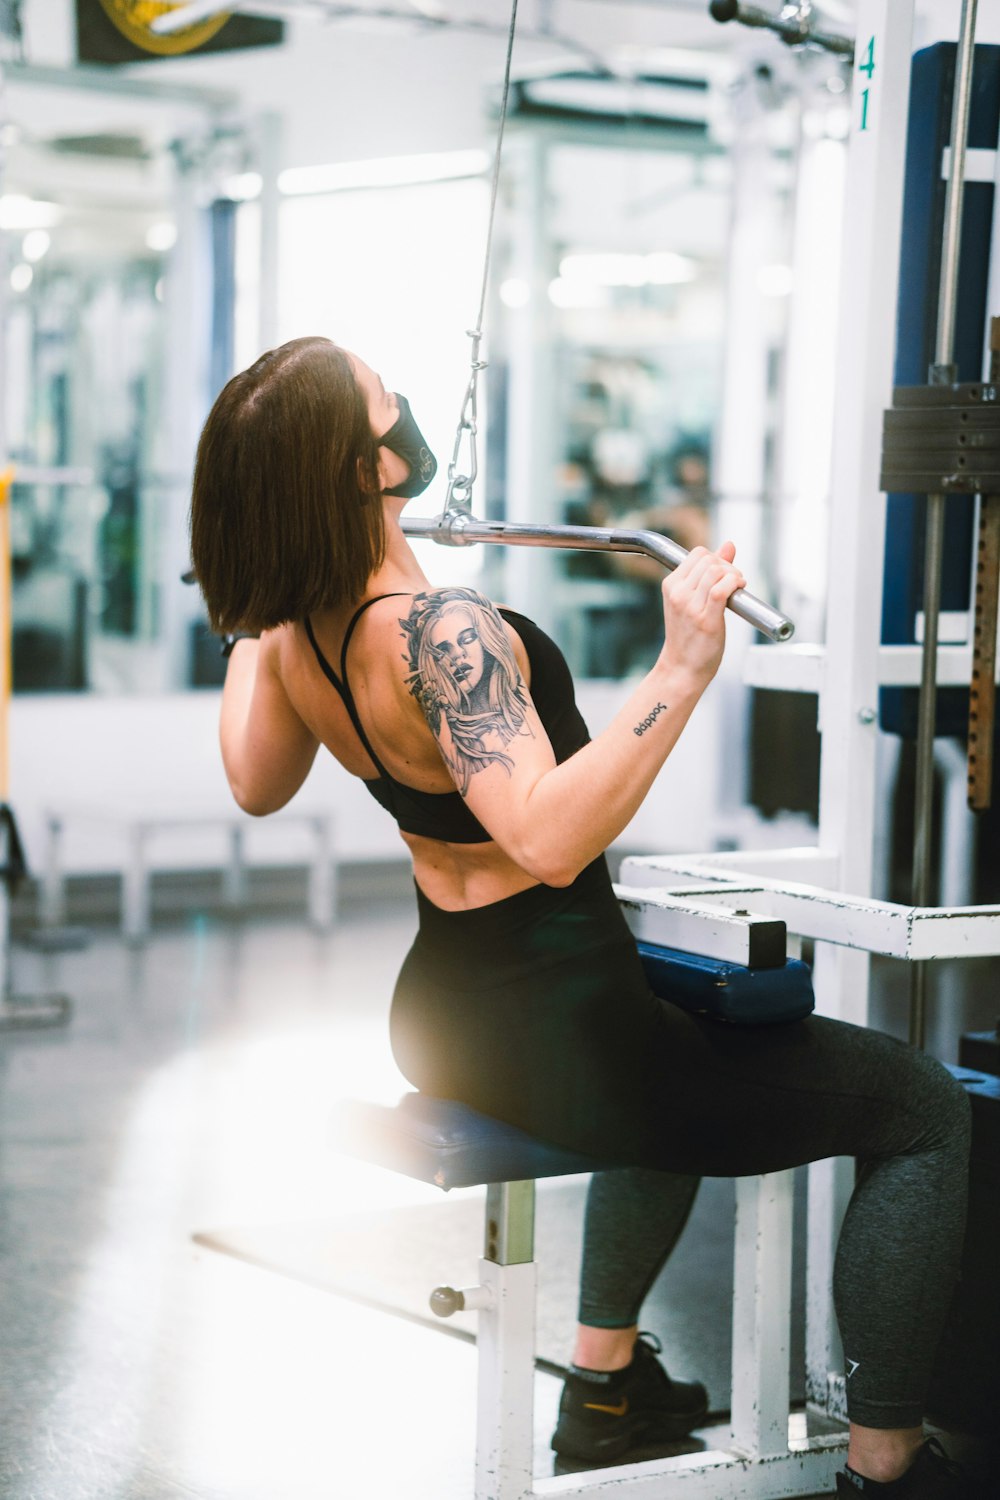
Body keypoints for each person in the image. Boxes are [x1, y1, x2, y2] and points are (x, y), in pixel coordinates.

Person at [190, 335, 975, 1500]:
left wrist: (261, 603)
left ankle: (605, 1383)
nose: (405, 408)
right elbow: (550, 837)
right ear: (369, 470)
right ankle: (886, 1464)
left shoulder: (294, 637)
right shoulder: (437, 631)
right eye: (383, 403)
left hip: (447, 1009)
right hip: (566, 1030)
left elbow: (255, 784)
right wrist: (682, 664)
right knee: (921, 1109)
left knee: (704, 1035)